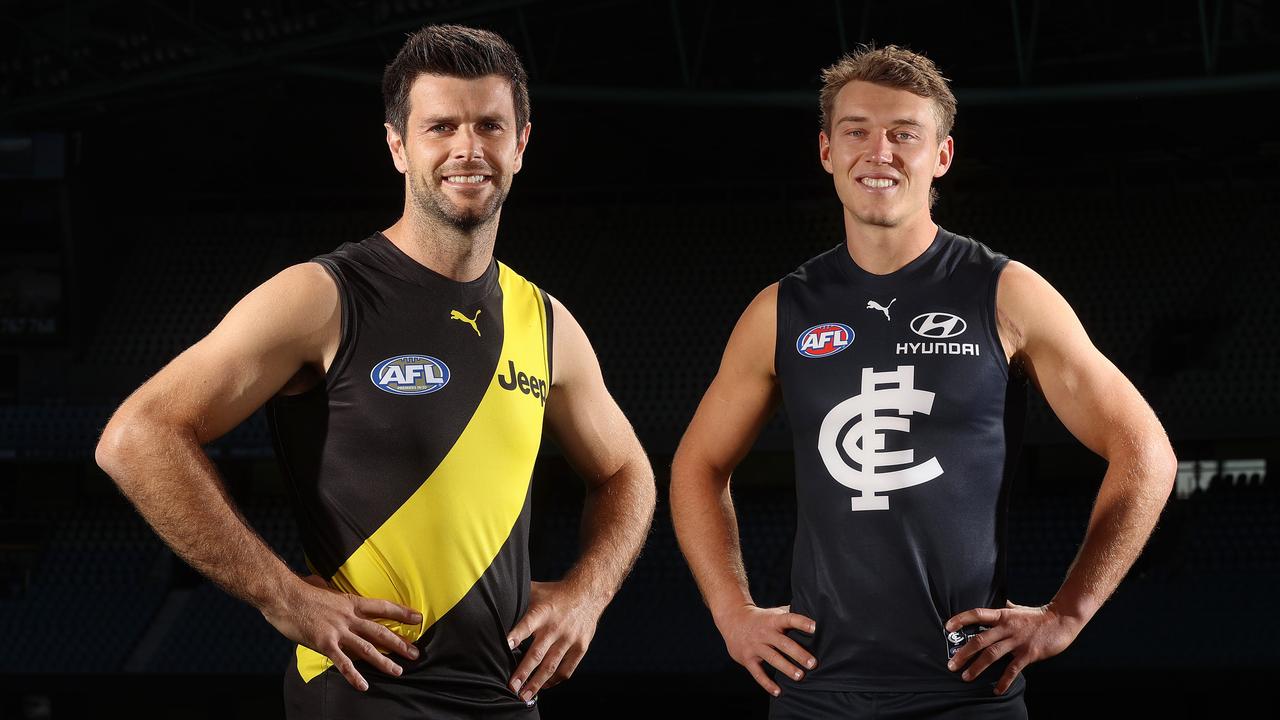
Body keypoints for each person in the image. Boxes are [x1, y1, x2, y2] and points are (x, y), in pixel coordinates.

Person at [95, 24, 655, 719]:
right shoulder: (323, 297)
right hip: (364, 694)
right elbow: (136, 437)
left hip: (506, 698)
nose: (467, 148)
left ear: (521, 144)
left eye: (489, 125)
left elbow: (628, 471)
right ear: (397, 145)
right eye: (440, 127)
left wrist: (588, 593)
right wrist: (282, 595)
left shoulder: (547, 323)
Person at [670, 44, 1176, 719]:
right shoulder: (781, 310)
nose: (878, 151)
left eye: (904, 134)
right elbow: (696, 465)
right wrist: (732, 611)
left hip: (968, 694)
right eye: (856, 131)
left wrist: (1067, 614)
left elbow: (1146, 454)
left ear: (941, 156)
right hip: (816, 696)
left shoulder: (1006, 294)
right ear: (826, 151)